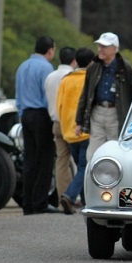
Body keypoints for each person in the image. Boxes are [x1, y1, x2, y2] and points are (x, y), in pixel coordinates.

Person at [75, 32, 132, 161]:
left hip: (117, 113)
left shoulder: (126, 68)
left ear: (115, 49)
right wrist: (79, 121)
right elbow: (85, 94)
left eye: (104, 46)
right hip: (97, 112)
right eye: (99, 46)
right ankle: (93, 179)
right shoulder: (93, 67)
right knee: (92, 153)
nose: (100, 49)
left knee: (116, 149)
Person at [15, 35, 58, 215]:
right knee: (45, 160)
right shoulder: (46, 67)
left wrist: (21, 114)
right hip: (41, 114)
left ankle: (27, 204)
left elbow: (17, 94)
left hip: (25, 114)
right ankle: (40, 202)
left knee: (30, 160)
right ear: (50, 50)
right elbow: (48, 93)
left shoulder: (22, 66)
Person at [57, 47, 94, 215]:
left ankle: (86, 202)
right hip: (87, 131)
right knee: (84, 167)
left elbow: (60, 105)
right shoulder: (91, 79)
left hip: (69, 132)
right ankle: (70, 196)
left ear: (76, 61)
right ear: (91, 62)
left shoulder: (66, 80)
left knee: (80, 167)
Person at [45, 46, 75, 203]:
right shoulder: (72, 76)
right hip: (71, 123)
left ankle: (63, 196)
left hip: (56, 122)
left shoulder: (50, 77)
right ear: (74, 60)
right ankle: (75, 195)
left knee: (61, 161)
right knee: (80, 160)